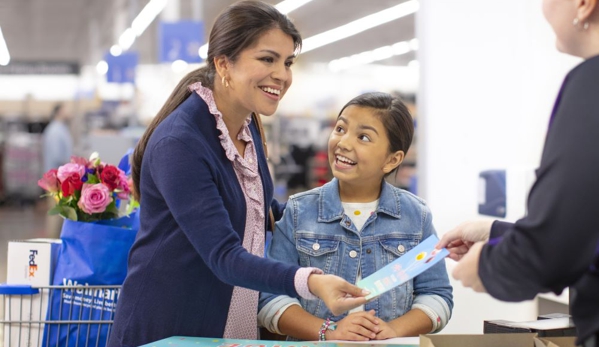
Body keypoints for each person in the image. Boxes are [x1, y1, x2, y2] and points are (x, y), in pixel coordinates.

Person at [108, 2, 367, 346]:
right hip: (171, 326)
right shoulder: (180, 142)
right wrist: (312, 281)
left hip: (230, 319)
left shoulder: (245, 126)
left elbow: (256, 207)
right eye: (267, 59)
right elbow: (225, 256)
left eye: (287, 62)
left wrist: (334, 214)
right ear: (223, 64)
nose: (282, 75)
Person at [436, 1, 599, 346]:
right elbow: (585, 231)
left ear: (584, 5)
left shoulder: (591, 83)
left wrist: (487, 265)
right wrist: (494, 232)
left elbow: (554, 250)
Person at [258, 92, 453, 341]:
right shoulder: (298, 212)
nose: (343, 142)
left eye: (363, 137)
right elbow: (269, 297)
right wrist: (328, 331)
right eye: (340, 128)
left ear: (392, 160)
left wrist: (394, 330)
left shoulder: (416, 216)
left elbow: (437, 296)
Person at [42, 102, 73, 238]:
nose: (69, 112)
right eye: (66, 109)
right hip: (56, 180)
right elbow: (58, 156)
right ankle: (52, 245)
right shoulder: (55, 130)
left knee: (60, 214)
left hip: (59, 179)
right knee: (55, 214)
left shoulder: (60, 129)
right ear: (59, 111)